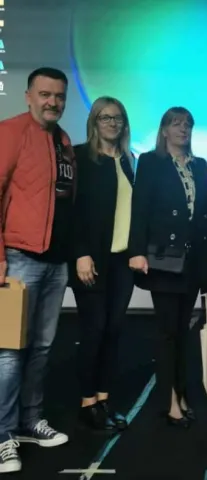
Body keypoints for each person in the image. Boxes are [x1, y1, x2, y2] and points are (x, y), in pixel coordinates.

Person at [0, 67, 73, 474]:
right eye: (45, 94)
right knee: (10, 352)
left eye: (59, 96)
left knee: (42, 348)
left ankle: (29, 422)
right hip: (19, 259)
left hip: (55, 262)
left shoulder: (63, 141)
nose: (52, 102)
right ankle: (2, 435)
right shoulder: (10, 132)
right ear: (28, 95)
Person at [128, 107, 207, 429]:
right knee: (167, 333)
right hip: (164, 258)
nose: (183, 129)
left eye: (188, 124)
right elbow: (140, 208)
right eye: (176, 124)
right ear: (164, 130)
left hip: (193, 259)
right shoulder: (150, 162)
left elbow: (205, 210)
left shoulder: (200, 164)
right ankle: (169, 402)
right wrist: (137, 252)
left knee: (182, 331)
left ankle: (180, 392)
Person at [70, 97, 135, 432]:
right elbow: (72, 210)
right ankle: (88, 402)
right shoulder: (80, 157)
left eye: (118, 117)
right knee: (93, 330)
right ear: (94, 122)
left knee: (114, 329)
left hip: (122, 260)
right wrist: (80, 253)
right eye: (105, 117)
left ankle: (104, 398)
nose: (112, 123)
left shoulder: (129, 160)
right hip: (91, 260)